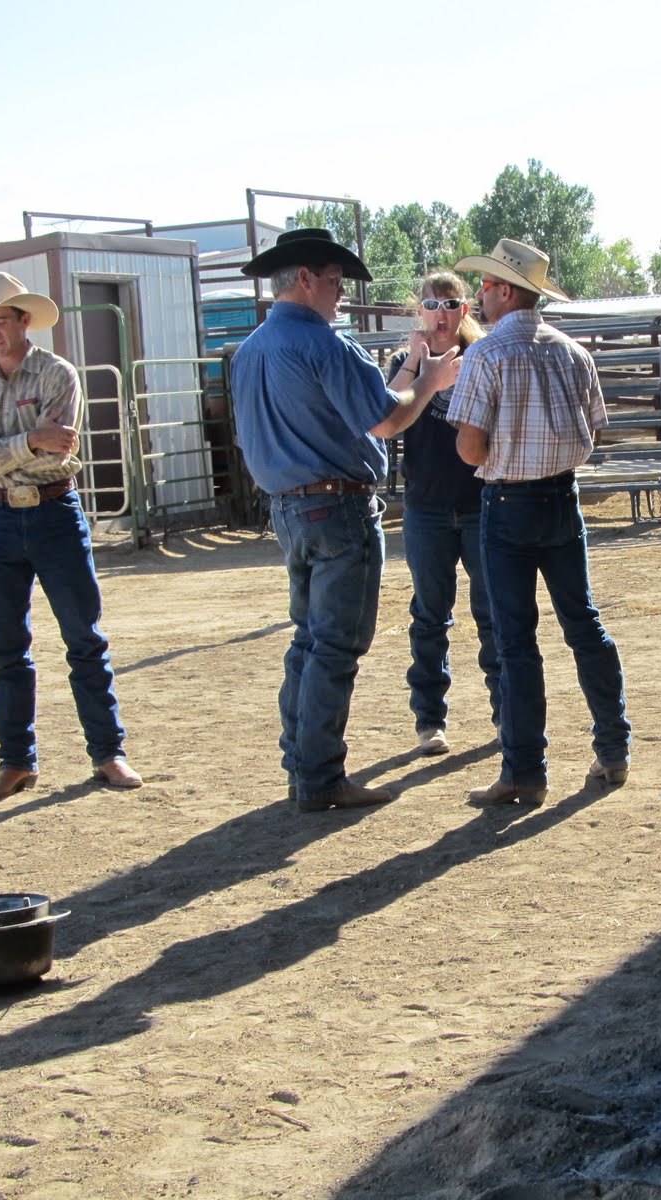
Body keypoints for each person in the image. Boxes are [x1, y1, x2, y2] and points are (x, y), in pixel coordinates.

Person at [230, 229, 460, 812]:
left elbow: (364, 403)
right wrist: (430, 380)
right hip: (338, 505)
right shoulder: (324, 344)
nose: (339, 293)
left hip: (289, 506)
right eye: (334, 281)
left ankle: (302, 764)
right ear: (306, 278)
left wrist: (408, 375)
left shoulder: (253, 349)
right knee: (334, 645)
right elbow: (383, 420)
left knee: (309, 639)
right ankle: (320, 775)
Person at [446, 238, 631, 805]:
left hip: (507, 505)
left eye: (485, 285)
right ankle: (613, 748)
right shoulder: (573, 352)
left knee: (516, 640)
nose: (479, 294)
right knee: (584, 624)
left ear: (505, 290)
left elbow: (471, 451)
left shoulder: (486, 355)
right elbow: (594, 431)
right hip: (561, 499)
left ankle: (526, 769)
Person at [0, 272, 143, 800]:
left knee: (84, 638)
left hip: (54, 511)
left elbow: (58, 449)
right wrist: (30, 439)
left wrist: (13, 446)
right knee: (5, 646)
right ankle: (17, 761)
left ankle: (108, 753)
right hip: (1, 518)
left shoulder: (58, 373)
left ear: (23, 321)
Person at [385, 273, 501, 755]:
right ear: (420, 311)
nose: (440, 312)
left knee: (493, 614)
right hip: (427, 509)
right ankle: (430, 721)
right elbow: (387, 418)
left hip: (479, 504)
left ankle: (505, 714)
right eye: (431, 304)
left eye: (450, 303)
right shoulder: (404, 361)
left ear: (465, 310)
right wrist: (416, 360)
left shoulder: (483, 354)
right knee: (430, 617)